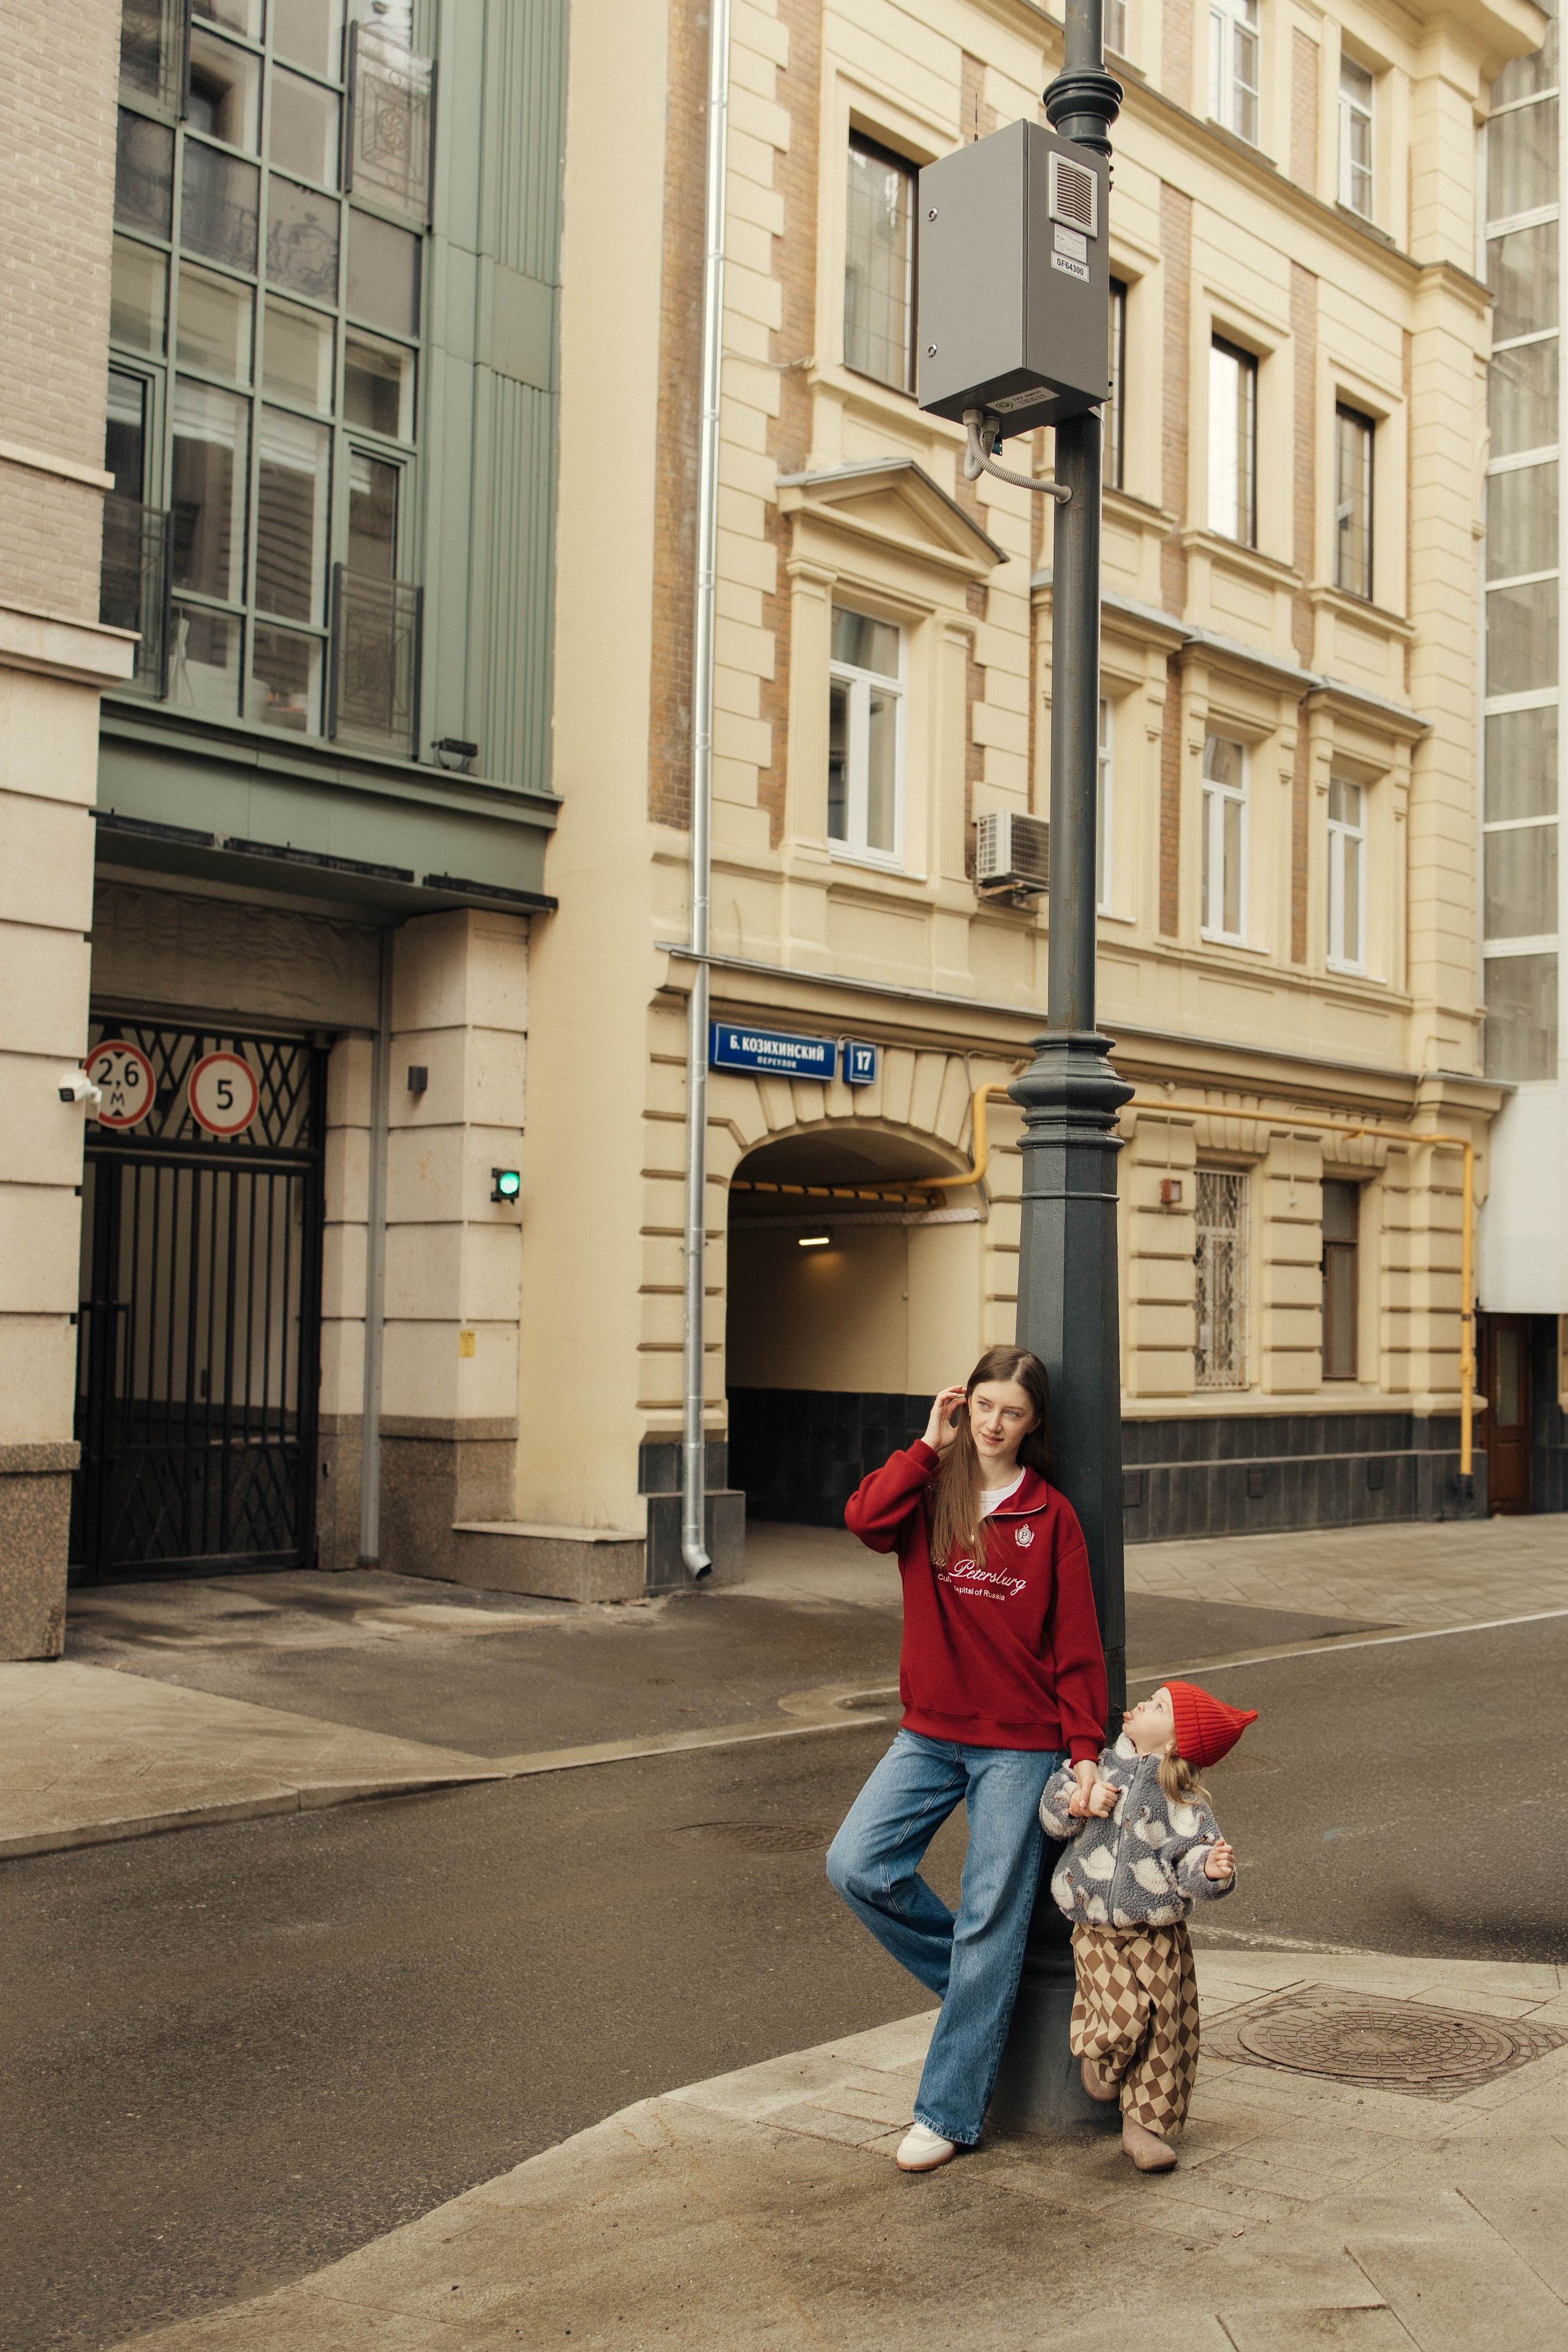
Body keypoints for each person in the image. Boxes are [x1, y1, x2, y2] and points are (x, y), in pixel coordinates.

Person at [826, 1347, 1107, 2173]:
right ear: (963, 1405)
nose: (993, 1424)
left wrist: (1084, 1752)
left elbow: (1077, 1646)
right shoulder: (932, 1490)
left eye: (1011, 1412)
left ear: (1033, 1423)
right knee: (856, 1864)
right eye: (982, 1406)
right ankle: (984, 1993)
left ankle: (946, 2112)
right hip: (929, 1732)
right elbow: (864, 1520)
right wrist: (925, 1446)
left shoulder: (1051, 1516)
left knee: (991, 1918)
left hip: (1020, 1744)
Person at [1039, 1679, 1257, 2173]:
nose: (1141, 1703)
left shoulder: (1182, 1800)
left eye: (1159, 1706)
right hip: (1096, 1928)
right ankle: (1102, 2059)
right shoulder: (1097, 1765)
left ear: (1178, 1742)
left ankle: (1141, 2131)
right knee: (1121, 2016)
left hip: (1158, 1934)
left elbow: (1193, 1856)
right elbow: (1053, 1808)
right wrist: (1077, 1802)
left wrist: (1211, 1870)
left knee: (1165, 2032)